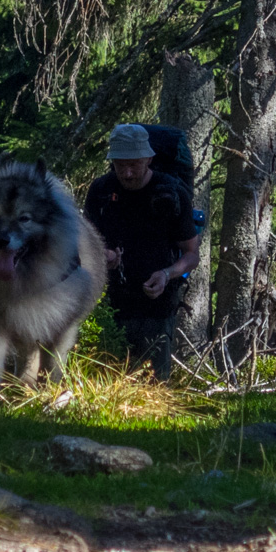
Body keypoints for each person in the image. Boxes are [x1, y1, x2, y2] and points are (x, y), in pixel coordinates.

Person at [82, 123, 200, 380]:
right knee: (106, 380)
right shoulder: (101, 191)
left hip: (156, 308)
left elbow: (191, 254)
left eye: (134, 164)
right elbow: (84, 244)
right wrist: (104, 256)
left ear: (148, 159)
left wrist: (167, 274)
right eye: (119, 164)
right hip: (109, 304)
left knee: (153, 384)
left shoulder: (170, 192)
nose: (126, 173)